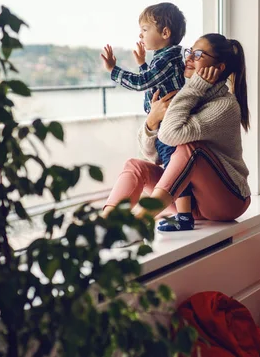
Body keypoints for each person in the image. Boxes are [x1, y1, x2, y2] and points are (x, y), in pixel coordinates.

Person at [102, 33, 251, 234]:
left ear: (219, 67)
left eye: (198, 54)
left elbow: (171, 135)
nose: (188, 58)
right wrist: (152, 120)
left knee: (191, 148)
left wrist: (193, 88)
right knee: (135, 166)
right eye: (189, 51)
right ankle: (103, 226)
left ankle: (138, 223)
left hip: (229, 200)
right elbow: (154, 156)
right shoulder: (186, 97)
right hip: (191, 205)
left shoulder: (224, 106)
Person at [101, 2, 196, 231]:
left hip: (170, 126)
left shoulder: (167, 59)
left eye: (144, 29)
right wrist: (143, 64)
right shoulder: (165, 59)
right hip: (164, 125)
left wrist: (114, 70)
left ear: (165, 33)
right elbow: (153, 83)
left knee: (175, 170)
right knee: (171, 169)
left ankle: (185, 218)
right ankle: (112, 221)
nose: (140, 35)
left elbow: (142, 83)